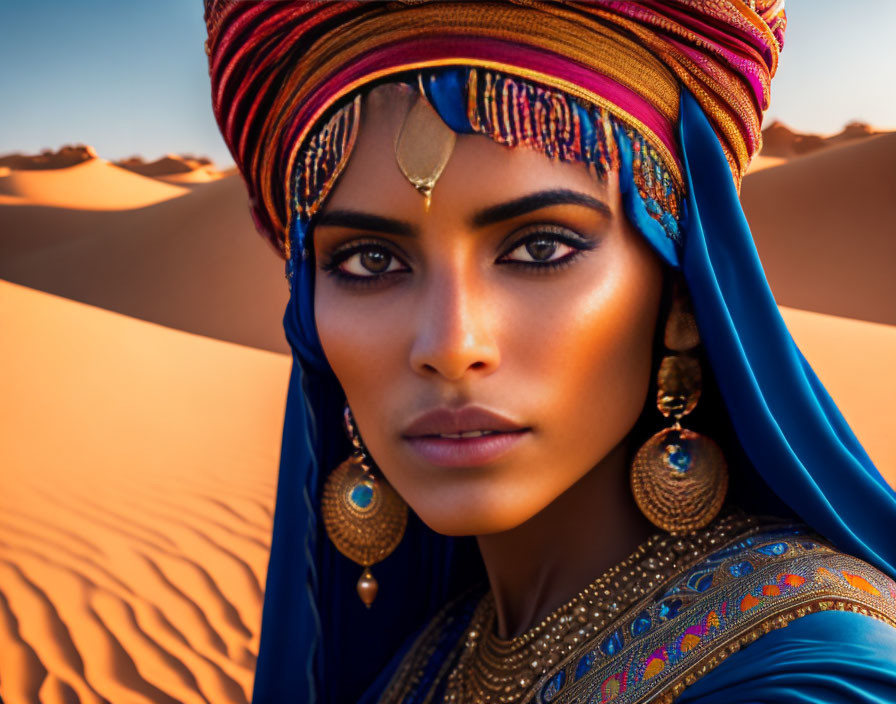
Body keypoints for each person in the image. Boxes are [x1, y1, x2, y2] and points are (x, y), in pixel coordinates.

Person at [203, 2, 896, 702]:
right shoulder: (435, 656)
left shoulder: (808, 678)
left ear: (682, 293)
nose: (450, 345)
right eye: (370, 260)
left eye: (540, 248)